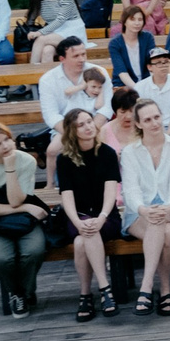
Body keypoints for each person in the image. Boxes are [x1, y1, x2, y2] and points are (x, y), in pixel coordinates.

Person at [120, 99, 170, 317]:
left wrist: (168, 207)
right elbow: (130, 190)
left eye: (157, 117)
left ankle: (146, 286)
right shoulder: (130, 152)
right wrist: (143, 209)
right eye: (148, 119)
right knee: (165, 231)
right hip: (139, 213)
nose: (154, 123)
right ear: (139, 124)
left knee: (164, 223)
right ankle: (166, 291)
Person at [0, 120, 51, 315]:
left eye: (7, 140)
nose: (6, 146)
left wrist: (10, 168)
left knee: (34, 251)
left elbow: (16, 199)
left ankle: (24, 292)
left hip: (24, 220)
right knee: (1, 259)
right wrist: (26, 206)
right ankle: (18, 293)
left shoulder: (26, 161)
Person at [53, 107, 122, 320]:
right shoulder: (64, 159)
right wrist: (76, 220)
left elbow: (111, 191)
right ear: (72, 131)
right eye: (81, 125)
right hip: (78, 216)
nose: (88, 127)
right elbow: (67, 196)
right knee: (84, 234)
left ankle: (86, 294)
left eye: (89, 121)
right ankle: (105, 290)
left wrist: (101, 218)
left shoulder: (108, 153)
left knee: (84, 240)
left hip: (107, 216)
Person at [38, 37, 108, 127]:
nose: (82, 59)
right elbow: (51, 115)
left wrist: (92, 129)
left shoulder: (99, 72)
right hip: (66, 127)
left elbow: (107, 107)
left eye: (83, 54)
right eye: (76, 56)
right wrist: (74, 134)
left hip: (98, 125)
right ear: (62, 59)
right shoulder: (47, 80)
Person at [136, 46, 170, 137]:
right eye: (158, 63)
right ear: (149, 67)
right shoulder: (140, 87)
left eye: (166, 62)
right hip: (150, 126)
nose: (164, 66)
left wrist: (168, 132)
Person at [107, 4, 157, 86]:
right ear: (125, 22)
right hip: (123, 85)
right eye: (132, 19)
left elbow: (152, 62)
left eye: (140, 19)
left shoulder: (148, 38)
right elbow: (121, 72)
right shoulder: (115, 43)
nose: (137, 23)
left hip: (146, 83)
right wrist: (137, 89)